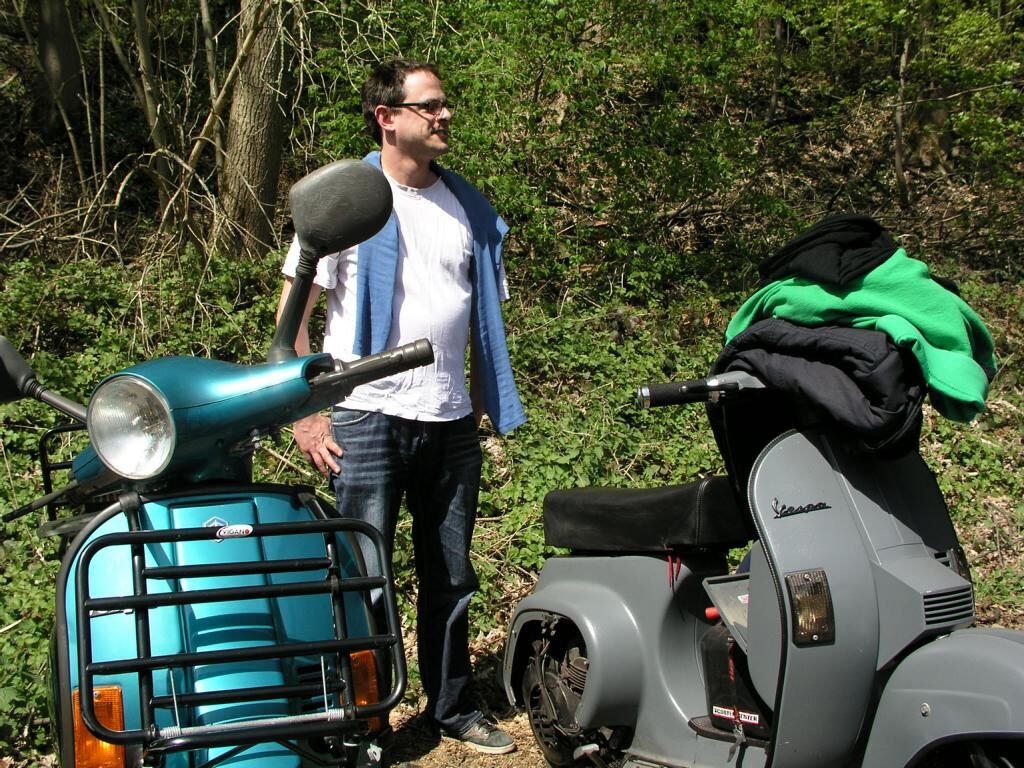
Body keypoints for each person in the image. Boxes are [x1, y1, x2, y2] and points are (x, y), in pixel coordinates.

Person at [276, 59, 526, 755]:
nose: (445, 115)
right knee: (363, 577)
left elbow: (481, 319)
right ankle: (365, 720)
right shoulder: (341, 203)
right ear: (387, 117)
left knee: (452, 576)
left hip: (448, 421)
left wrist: (481, 403)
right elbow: (292, 321)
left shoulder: (470, 208)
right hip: (364, 416)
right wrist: (307, 412)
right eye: (430, 105)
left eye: (446, 104)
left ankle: (452, 707)